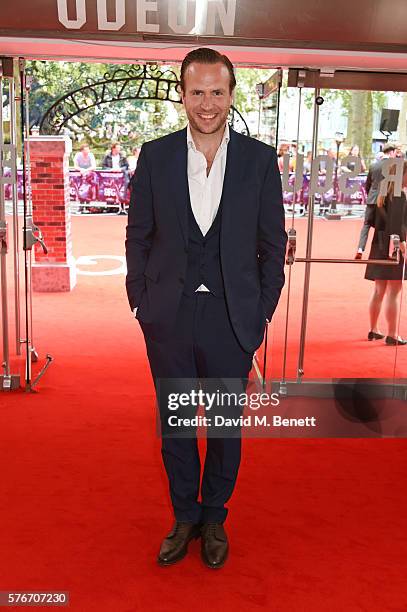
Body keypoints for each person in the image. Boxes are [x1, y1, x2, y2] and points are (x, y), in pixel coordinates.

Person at [125, 48, 287, 569]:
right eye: (197, 92)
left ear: (231, 94)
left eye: (218, 92)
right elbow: (138, 235)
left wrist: (260, 310)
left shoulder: (260, 161)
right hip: (167, 317)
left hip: (231, 320)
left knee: (222, 426)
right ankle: (184, 516)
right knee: (175, 426)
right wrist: (140, 301)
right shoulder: (156, 156)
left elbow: (273, 243)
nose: (208, 104)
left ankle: (214, 515)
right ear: (182, 95)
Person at [365, 161, 407, 345]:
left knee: (379, 290)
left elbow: (372, 221)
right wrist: (402, 245)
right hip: (393, 245)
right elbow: (397, 225)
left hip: (379, 244)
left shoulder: (381, 195)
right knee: (394, 291)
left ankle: (373, 329)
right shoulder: (399, 196)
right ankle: (392, 334)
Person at [355, 144, 397, 259]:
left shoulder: (373, 166)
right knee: (385, 226)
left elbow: (368, 184)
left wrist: (371, 195)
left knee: (366, 224)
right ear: (392, 152)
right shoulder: (393, 166)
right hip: (385, 201)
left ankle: (360, 249)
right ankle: (387, 251)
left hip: (372, 199)